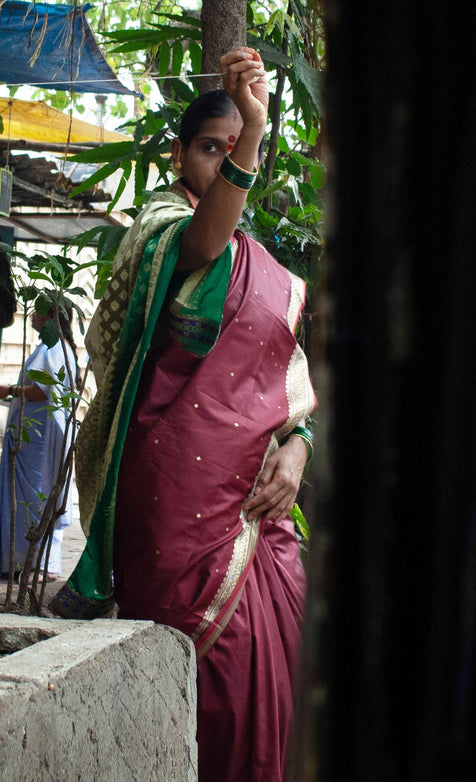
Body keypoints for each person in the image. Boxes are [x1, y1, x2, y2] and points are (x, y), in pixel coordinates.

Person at [50, 48, 316, 782]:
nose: (219, 165)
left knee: (288, 670)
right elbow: (204, 246)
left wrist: (294, 455)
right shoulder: (163, 230)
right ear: (178, 156)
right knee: (217, 689)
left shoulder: (265, 274)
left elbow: (290, 396)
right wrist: (254, 131)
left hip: (257, 519)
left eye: (232, 154)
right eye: (209, 150)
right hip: (174, 511)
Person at [0, 302, 77, 579]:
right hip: (30, 434)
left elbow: (42, 392)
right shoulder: (52, 347)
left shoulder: (54, 348)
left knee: (36, 494)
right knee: (28, 495)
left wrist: (8, 390)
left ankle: (39, 564)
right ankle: (19, 562)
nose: (32, 316)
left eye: (38, 312)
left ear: (51, 317)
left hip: (38, 435)